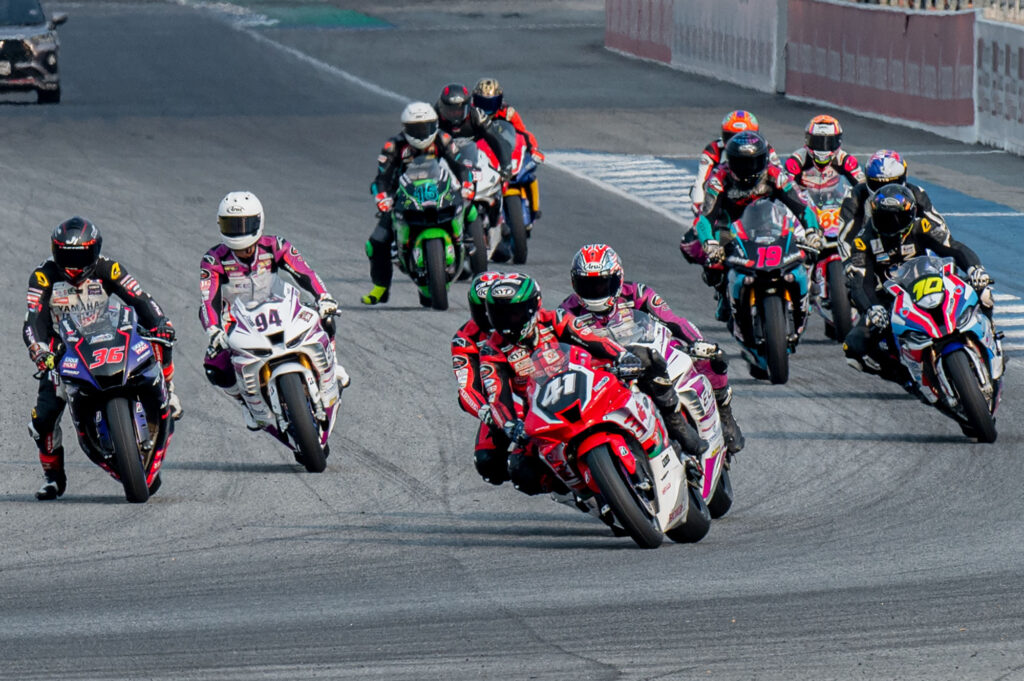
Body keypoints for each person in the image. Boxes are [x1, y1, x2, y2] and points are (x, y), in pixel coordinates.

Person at [479, 273, 706, 496]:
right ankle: (579, 494)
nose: (508, 321)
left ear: (533, 308)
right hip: (544, 408)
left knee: (646, 359)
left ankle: (675, 423)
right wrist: (509, 424)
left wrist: (621, 356)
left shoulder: (554, 319)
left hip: (588, 379)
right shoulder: (491, 351)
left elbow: (592, 339)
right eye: (500, 314)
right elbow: (497, 396)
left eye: (515, 313)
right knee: (520, 470)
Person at [24, 217, 180, 500]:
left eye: (81, 256)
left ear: (94, 251)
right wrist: (40, 350)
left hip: (109, 339)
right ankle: (53, 478)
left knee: (159, 339)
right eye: (67, 256)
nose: (74, 265)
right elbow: (33, 319)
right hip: (64, 352)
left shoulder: (109, 268)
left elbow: (139, 297)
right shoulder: (43, 276)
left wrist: (160, 322)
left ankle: (169, 389)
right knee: (44, 417)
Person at [560, 244, 745, 454]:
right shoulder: (567, 310)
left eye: (602, 284)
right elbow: (560, 350)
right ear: (575, 283)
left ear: (618, 279)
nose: (595, 291)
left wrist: (696, 342)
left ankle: (724, 412)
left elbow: (672, 320)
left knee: (714, 358)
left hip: (654, 351)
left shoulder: (636, 293)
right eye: (587, 285)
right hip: (607, 369)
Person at [199, 191, 348, 430]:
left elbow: (305, 272)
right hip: (237, 320)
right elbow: (208, 299)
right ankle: (245, 402)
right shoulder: (213, 259)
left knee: (325, 318)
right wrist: (214, 330)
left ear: (258, 221)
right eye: (231, 225)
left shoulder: (276, 245)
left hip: (280, 308)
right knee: (215, 366)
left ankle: (333, 366)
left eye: (244, 225)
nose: (238, 232)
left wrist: (324, 297)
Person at [842, 184, 991, 382]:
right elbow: (860, 282)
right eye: (884, 219)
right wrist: (872, 308)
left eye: (898, 218)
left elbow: (953, 247)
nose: (892, 225)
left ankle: (990, 339)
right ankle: (906, 377)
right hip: (890, 297)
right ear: (874, 216)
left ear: (911, 214)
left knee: (984, 292)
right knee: (854, 346)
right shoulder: (863, 242)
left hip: (931, 282)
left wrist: (974, 268)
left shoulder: (922, 226)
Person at [696, 131, 823, 321]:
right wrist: (710, 244)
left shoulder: (775, 175)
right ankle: (724, 294)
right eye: (740, 163)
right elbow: (705, 219)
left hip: (770, 223)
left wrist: (812, 232)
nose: (747, 169)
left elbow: (801, 207)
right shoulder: (718, 179)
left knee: (808, 248)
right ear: (730, 161)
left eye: (753, 162)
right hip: (730, 228)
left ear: (763, 159)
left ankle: (808, 288)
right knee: (713, 266)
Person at [361, 101, 476, 305]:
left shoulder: (443, 139)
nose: (422, 133)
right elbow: (381, 178)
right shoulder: (393, 146)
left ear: (435, 125)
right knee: (376, 242)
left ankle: (474, 249)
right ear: (406, 128)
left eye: (426, 127)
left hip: (440, 190)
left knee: (470, 208)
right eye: (416, 129)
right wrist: (382, 198)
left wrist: (467, 183)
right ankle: (380, 288)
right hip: (404, 196)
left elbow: (460, 166)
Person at [681, 110, 779, 264]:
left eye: (745, 135)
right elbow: (700, 182)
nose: (739, 142)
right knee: (690, 244)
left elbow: (781, 177)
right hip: (724, 204)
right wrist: (700, 207)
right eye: (731, 136)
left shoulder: (764, 148)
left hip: (758, 204)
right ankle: (716, 268)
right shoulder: (714, 150)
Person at [450, 271, 512, 485]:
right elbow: (466, 388)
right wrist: (485, 411)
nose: (491, 315)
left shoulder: (531, 321)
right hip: (503, 401)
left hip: (543, 390)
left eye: (495, 308)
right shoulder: (465, 338)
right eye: (483, 310)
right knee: (488, 462)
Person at [837, 149, 945, 263]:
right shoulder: (856, 196)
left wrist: (942, 261)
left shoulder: (916, 193)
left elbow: (939, 228)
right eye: (878, 184)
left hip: (912, 257)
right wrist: (853, 265)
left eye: (892, 183)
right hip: (873, 259)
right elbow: (845, 238)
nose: (887, 191)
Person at [472, 78, 544, 221]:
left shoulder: (508, 113)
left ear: (499, 101)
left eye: (491, 103)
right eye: (482, 103)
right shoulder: (471, 114)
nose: (487, 108)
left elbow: (522, 133)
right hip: (482, 154)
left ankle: (535, 209)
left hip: (505, 149)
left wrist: (533, 149)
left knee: (529, 173)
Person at [435, 82, 512, 176]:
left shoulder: (477, 116)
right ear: (442, 108)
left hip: (476, 159)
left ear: (467, 107)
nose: (455, 114)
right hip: (444, 163)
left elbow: (496, 139)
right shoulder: (434, 117)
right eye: (451, 110)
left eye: (459, 110)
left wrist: (506, 166)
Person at [784, 115, 865, 189]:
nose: (823, 147)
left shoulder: (847, 161)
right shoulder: (795, 161)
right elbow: (785, 188)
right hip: (802, 199)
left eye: (829, 142)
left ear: (838, 141)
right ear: (807, 140)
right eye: (817, 142)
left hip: (835, 198)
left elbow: (863, 186)